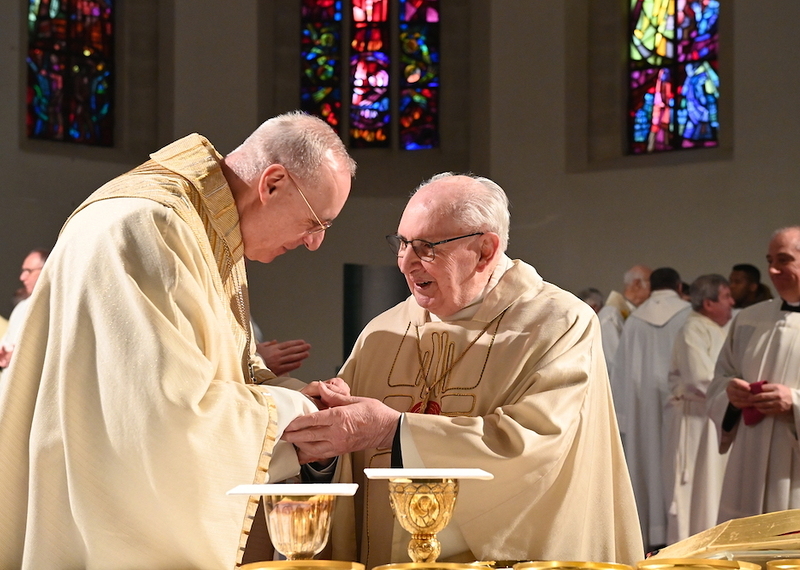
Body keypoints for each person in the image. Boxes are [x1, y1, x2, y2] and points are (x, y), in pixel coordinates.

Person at [0, 111, 356, 569]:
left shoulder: (198, 228)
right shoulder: (152, 226)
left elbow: (224, 372)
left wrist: (303, 398)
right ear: (272, 183)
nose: (314, 243)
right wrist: (299, 412)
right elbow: (170, 419)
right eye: (315, 222)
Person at [283, 173, 644, 567]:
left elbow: (532, 448)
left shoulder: (558, 324)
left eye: (426, 247)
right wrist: (321, 441)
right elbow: (348, 455)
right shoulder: (383, 332)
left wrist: (394, 430)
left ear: (485, 250)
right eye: (402, 243)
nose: (405, 262)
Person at [707, 226, 800, 524]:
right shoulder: (749, 319)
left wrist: (794, 402)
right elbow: (721, 377)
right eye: (770, 260)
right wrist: (730, 395)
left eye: (783, 260)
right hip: (749, 459)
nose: (772, 269)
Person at [610, 267, 690, 551]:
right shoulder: (688, 315)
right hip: (680, 407)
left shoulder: (635, 320)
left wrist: (622, 419)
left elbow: (620, 374)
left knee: (646, 468)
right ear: (679, 286)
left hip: (641, 409)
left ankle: (647, 537)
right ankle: (682, 536)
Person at [663, 274, 734, 544]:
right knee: (695, 487)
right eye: (726, 296)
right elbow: (700, 377)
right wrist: (737, 395)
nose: (732, 302)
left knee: (713, 485)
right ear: (708, 303)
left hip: (716, 415)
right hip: (696, 420)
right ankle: (692, 545)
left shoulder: (718, 328)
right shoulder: (692, 329)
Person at [597, 265, 652, 375]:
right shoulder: (611, 315)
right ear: (637, 284)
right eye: (653, 284)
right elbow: (614, 362)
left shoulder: (635, 314)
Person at [0, 248, 49, 371]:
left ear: (46, 270)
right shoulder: (21, 308)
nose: (22, 277)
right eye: (23, 271)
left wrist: (20, 354)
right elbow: (7, 342)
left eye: (29, 271)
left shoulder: (58, 305)